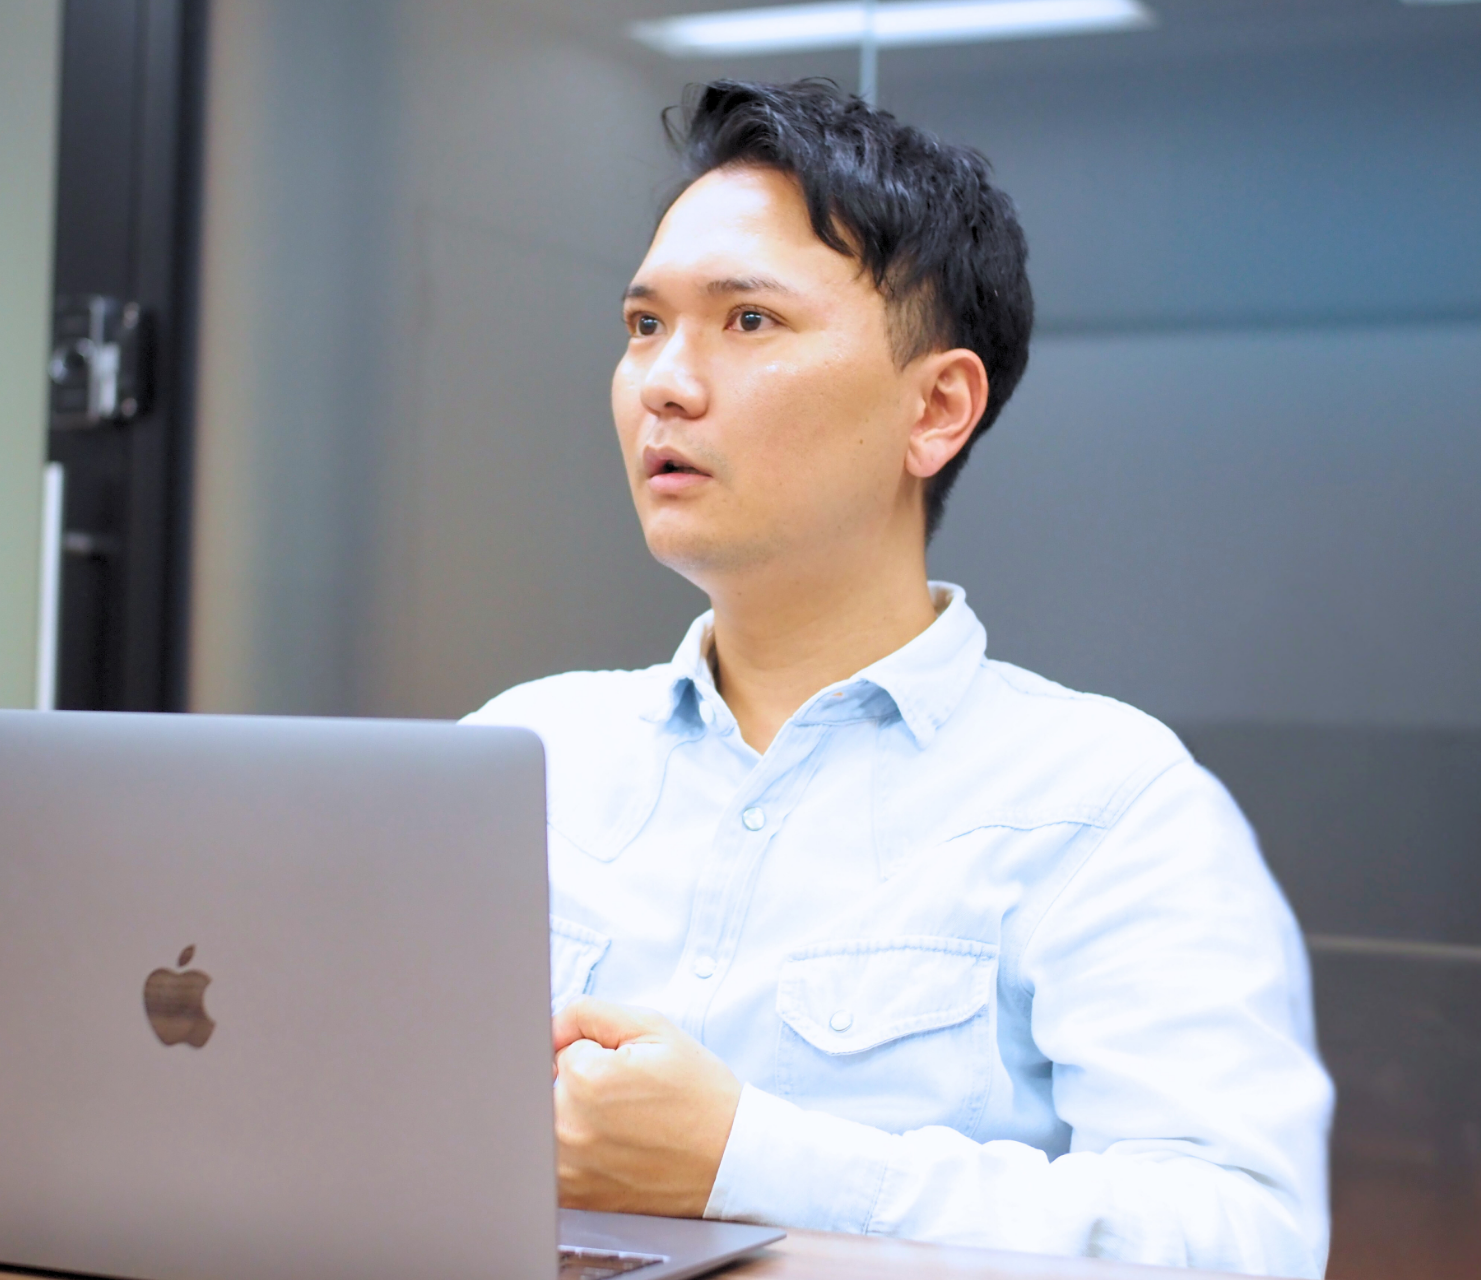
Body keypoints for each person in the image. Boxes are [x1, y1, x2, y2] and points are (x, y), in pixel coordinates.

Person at [464, 79, 1331, 1276]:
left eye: (749, 320)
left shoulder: (1109, 806)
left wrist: (750, 1158)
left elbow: (1241, 1240)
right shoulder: (520, 755)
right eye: (645, 324)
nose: (665, 380)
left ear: (936, 407)